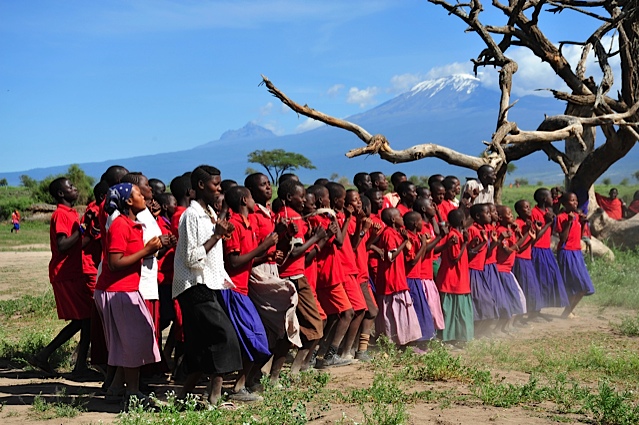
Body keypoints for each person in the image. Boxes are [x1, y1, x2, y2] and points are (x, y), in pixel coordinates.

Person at [172, 165, 242, 407]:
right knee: (223, 336)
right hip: (194, 284)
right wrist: (217, 236)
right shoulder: (191, 216)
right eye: (215, 184)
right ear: (201, 185)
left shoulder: (210, 213)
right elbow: (192, 258)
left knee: (200, 344)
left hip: (209, 283)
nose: (219, 188)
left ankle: (183, 395)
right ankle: (214, 396)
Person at [94, 182, 163, 407]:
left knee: (133, 340)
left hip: (127, 289)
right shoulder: (120, 226)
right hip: (118, 291)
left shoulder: (132, 224)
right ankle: (132, 393)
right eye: (139, 194)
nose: (145, 196)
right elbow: (114, 263)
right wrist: (147, 250)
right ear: (128, 202)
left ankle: (116, 388)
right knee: (133, 341)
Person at [30, 178, 94, 378]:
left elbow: (74, 246)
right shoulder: (60, 215)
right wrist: (82, 229)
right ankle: (69, 363)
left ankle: (47, 356)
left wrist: (90, 233)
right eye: (71, 187)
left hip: (72, 272)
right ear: (61, 194)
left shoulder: (71, 214)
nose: (76, 189)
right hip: (65, 274)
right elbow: (63, 245)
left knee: (83, 320)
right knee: (85, 320)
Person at [223, 185, 275, 401]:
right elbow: (234, 261)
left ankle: (243, 383)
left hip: (243, 288)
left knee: (256, 338)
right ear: (245, 200)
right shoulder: (234, 225)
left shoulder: (246, 224)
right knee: (254, 339)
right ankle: (238, 387)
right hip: (234, 289)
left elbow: (250, 259)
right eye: (252, 196)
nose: (255, 201)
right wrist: (263, 248)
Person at [275, 180, 327, 374]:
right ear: (289, 198)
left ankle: (292, 370)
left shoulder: (287, 216)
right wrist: (316, 238)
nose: (305, 200)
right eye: (301, 196)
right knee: (314, 324)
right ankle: (295, 369)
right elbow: (296, 253)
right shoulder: (292, 218)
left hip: (292, 276)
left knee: (295, 327)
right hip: (294, 277)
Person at [306, 184, 354, 367]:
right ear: (321, 201)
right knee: (347, 313)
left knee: (331, 316)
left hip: (328, 273)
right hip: (328, 274)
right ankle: (328, 355)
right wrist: (339, 219)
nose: (330, 201)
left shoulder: (319, 218)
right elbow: (340, 241)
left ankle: (316, 354)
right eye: (327, 198)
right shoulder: (321, 219)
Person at [325, 183, 368, 363]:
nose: (356, 203)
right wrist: (350, 220)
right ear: (339, 201)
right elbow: (341, 242)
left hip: (351, 269)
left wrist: (358, 223)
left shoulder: (344, 216)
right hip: (343, 270)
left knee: (356, 311)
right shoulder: (335, 217)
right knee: (353, 311)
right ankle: (334, 353)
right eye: (349, 200)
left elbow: (354, 244)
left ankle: (341, 352)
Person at [374, 208, 422, 346]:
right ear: (394, 219)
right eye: (400, 216)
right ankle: (396, 342)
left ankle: (402, 341)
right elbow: (390, 256)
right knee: (394, 312)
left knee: (398, 312)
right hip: (392, 280)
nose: (403, 218)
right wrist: (403, 242)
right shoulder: (388, 234)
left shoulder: (394, 233)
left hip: (397, 278)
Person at [348, 193, 380, 360]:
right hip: (356, 274)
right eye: (355, 201)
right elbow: (352, 247)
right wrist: (364, 230)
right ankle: (355, 349)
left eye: (360, 201)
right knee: (369, 311)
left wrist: (372, 236)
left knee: (369, 311)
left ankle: (357, 348)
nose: (359, 204)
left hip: (362, 273)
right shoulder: (353, 223)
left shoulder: (360, 222)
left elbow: (363, 248)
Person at [435, 209, 473, 344]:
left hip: (459, 279)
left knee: (459, 311)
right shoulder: (453, 236)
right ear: (462, 221)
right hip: (451, 280)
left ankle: (459, 337)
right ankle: (448, 339)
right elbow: (455, 257)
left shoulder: (458, 234)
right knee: (451, 312)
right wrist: (464, 243)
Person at [556, 192, 595, 319]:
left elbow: (578, 235)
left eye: (576, 200)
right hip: (566, 251)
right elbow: (563, 238)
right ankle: (566, 313)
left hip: (576, 252)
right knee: (574, 285)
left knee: (583, 286)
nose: (575, 203)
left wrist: (583, 222)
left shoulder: (578, 216)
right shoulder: (561, 217)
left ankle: (568, 311)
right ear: (565, 203)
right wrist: (569, 222)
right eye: (572, 201)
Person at [531, 188, 569, 313]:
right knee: (539, 279)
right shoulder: (534, 213)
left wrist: (551, 222)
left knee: (550, 277)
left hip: (546, 249)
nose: (553, 199)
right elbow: (535, 236)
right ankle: (535, 311)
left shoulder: (548, 212)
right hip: (537, 250)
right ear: (543, 199)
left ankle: (540, 308)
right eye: (550, 197)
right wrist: (548, 222)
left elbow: (550, 232)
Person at [412, 197, 445, 331]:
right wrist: (440, 238)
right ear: (424, 209)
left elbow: (437, 233)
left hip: (428, 271)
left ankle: (433, 332)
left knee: (433, 302)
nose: (435, 207)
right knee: (428, 303)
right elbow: (426, 248)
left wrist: (434, 217)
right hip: (423, 271)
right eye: (431, 205)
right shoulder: (421, 228)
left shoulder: (429, 224)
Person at [403, 211, 436, 342]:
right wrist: (423, 245)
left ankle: (424, 339)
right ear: (416, 223)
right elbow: (412, 261)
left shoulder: (417, 237)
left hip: (416, 277)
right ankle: (415, 341)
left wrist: (423, 244)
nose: (423, 224)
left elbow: (420, 258)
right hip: (410, 278)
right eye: (421, 221)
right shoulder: (409, 239)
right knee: (415, 310)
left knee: (422, 309)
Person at [466, 204, 498, 335]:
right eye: (487, 213)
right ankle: (475, 331)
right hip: (472, 270)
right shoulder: (472, 230)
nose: (490, 215)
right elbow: (468, 253)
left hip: (481, 269)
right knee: (480, 300)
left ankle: (481, 331)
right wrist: (482, 242)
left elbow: (487, 251)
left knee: (487, 300)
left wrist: (495, 241)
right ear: (478, 216)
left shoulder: (486, 229)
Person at [495, 205, 527, 333]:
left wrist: (518, 235)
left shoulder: (510, 231)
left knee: (517, 298)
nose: (512, 216)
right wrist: (524, 237)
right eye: (508, 214)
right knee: (511, 298)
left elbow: (515, 247)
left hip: (508, 270)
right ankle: (501, 328)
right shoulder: (500, 231)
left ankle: (508, 326)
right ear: (500, 217)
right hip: (502, 270)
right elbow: (508, 250)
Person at [512, 200, 543, 321]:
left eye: (529, 207)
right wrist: (526, 232)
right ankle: (520, 317)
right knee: (525, 287)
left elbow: (531, 244)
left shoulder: (528, 223)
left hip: (527, 258)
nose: (529, 209)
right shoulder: (518, 224)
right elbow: (518, 248)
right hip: (520, 259)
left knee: (532, 287)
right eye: (526, 208)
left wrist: (537, 231)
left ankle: (530, 315)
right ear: (519, 211)